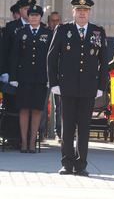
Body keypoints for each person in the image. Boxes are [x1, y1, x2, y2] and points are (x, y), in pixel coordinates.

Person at [47, 0, 108, 176]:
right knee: (67, 127)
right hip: (67, 86)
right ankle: (67, 163)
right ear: (73, 13)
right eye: (78, 11)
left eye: (85, 11)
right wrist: (54, 82)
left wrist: (100, 86)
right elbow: (52, 57)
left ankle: (81, 165)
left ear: (90, 13)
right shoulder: (63, 29)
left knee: (84, 127)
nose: (82, 14)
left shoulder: (98, 32)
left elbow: (103, 61)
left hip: (89, 87)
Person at [9, 5, 52, 153]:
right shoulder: (21, 32)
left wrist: (50, 77)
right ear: (28, 16)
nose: (34, 17)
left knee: (36, 110)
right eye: (31, 15)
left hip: (40, 77)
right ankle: (24, 142)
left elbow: (51, 58)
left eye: (37, 15)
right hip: (24, 77)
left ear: (41, 17)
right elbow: (15, 56)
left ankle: (33, 142)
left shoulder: (47, 33)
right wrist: (13, 77)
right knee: (24, 109)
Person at [39, 11, 63, 142]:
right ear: (48, 22)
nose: (55, 23)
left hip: (60, 74)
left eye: (57, 20)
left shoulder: (65, 33)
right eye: (52, 20)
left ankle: (59, 133)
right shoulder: (44, 34)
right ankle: (41, 132)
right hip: (46, 74)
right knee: (42, 105)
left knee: (59, 106)